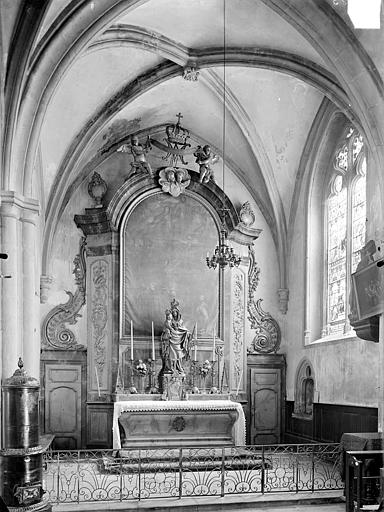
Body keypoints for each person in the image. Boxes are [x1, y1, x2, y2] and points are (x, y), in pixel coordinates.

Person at [160, 299, 192, 375]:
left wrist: (187, 333)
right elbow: (166, 329)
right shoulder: (168, 321)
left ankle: (179, 367)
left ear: (178, 313)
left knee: (179, 354)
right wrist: (169, 330)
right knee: (171, 355)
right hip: (171, 340)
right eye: (173, 312)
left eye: (175, 312)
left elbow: (183, 329)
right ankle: (171, 368)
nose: (174, 313)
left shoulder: (180, 321)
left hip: (178, 340)